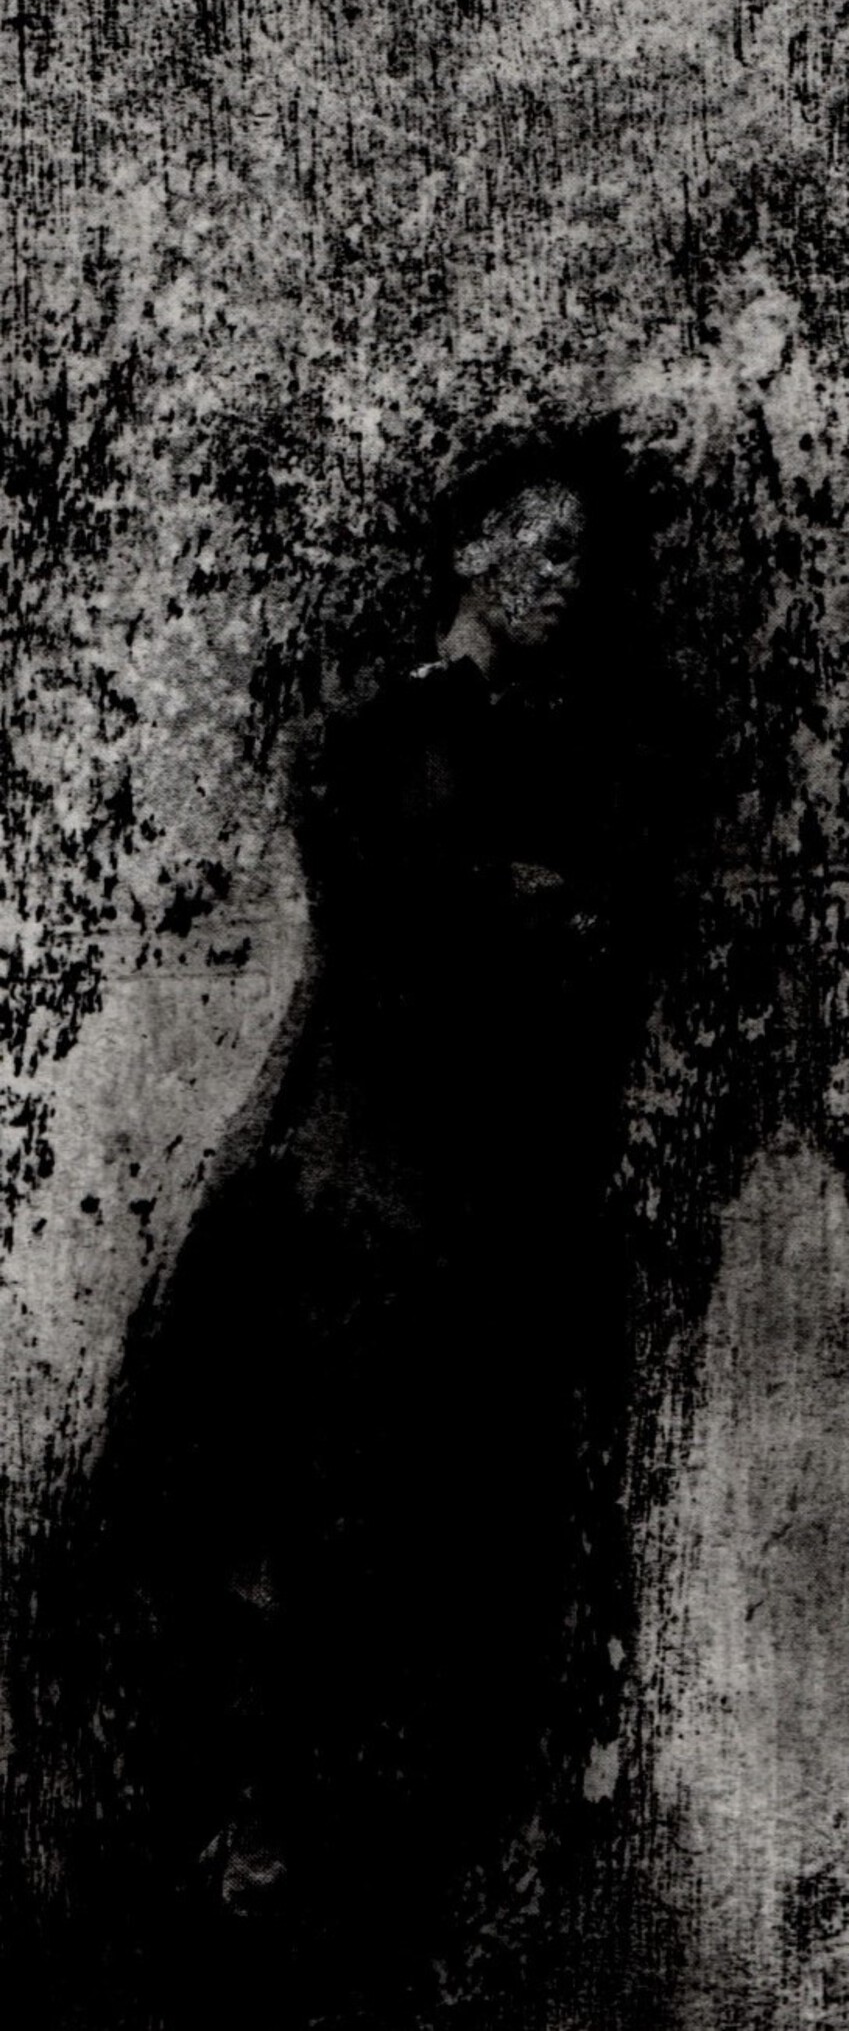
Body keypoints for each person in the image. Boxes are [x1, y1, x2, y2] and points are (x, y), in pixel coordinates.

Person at [23, 422, 690, 2029]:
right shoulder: (380, 739)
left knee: (440, 1581)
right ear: (465, 550)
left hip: (483, 1217)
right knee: (289, 1544)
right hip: (353, 1201)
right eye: (539, 547)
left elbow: (595, 949)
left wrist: (541, 918)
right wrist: (516, 913)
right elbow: (411, 950)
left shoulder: (569, 750)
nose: (565, 578)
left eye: (583, 558)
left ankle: (339, 1903)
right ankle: (231, 1868)